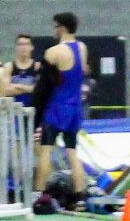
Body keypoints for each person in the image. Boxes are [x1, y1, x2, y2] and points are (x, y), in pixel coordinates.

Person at [33, 12, 89, 198]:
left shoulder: (53, 52)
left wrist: (36, 112)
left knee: (46, 150)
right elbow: (81, 72)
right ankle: (80, 195)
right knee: (72, 153)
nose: (54, 30)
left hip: (57, 108)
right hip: (75, 108)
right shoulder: (82, 48)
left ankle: (40, 195)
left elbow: (43, 87)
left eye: (55, 27)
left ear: (62, 28)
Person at [0, 33, 41, 106]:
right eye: (20, 44)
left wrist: (17, 86)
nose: (23, 47)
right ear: (16, 47)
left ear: (32, 47)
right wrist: (30, 88)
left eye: (26, 44)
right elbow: (6, 91)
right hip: (15, 109)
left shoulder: (37, 66)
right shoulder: (9, 67)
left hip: (33, 108)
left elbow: (39, 90)